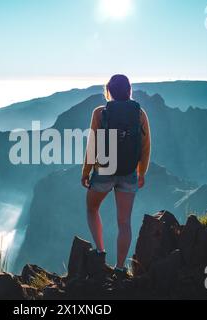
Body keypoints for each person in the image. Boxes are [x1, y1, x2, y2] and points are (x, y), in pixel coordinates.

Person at [81, 74, 151, 278]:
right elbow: (146, 147)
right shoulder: (139, 113)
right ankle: (120, 268)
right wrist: (141, 172)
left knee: (92, 208)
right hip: (129, 172)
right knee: (124, 222)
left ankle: (100, 252)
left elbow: (92, 146)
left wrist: (86, 172)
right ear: (129, 90)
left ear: (108, 91)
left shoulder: (100, 113)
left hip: (103, 171)